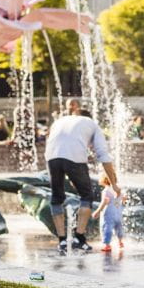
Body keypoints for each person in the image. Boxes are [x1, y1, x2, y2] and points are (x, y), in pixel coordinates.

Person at [44, 98, 120, 253]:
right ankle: (79, 237)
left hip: (51, 156)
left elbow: (55, 142)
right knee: (86, 196)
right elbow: (104, 156)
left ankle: (62, 241)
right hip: (74, 156)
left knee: (56, 198)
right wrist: (113, 183)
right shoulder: (92, 124)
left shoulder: (60, 120)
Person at [93, 175, 124, 252]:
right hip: (118, 213)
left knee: (107, 228)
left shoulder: (106, 191)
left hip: (109, 214)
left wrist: (98, 211)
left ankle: (107, 245)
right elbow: (121, 201)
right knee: (119, 227)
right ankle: (120, 242)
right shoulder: (118, 190)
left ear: (104, 181)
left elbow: (105, 201)